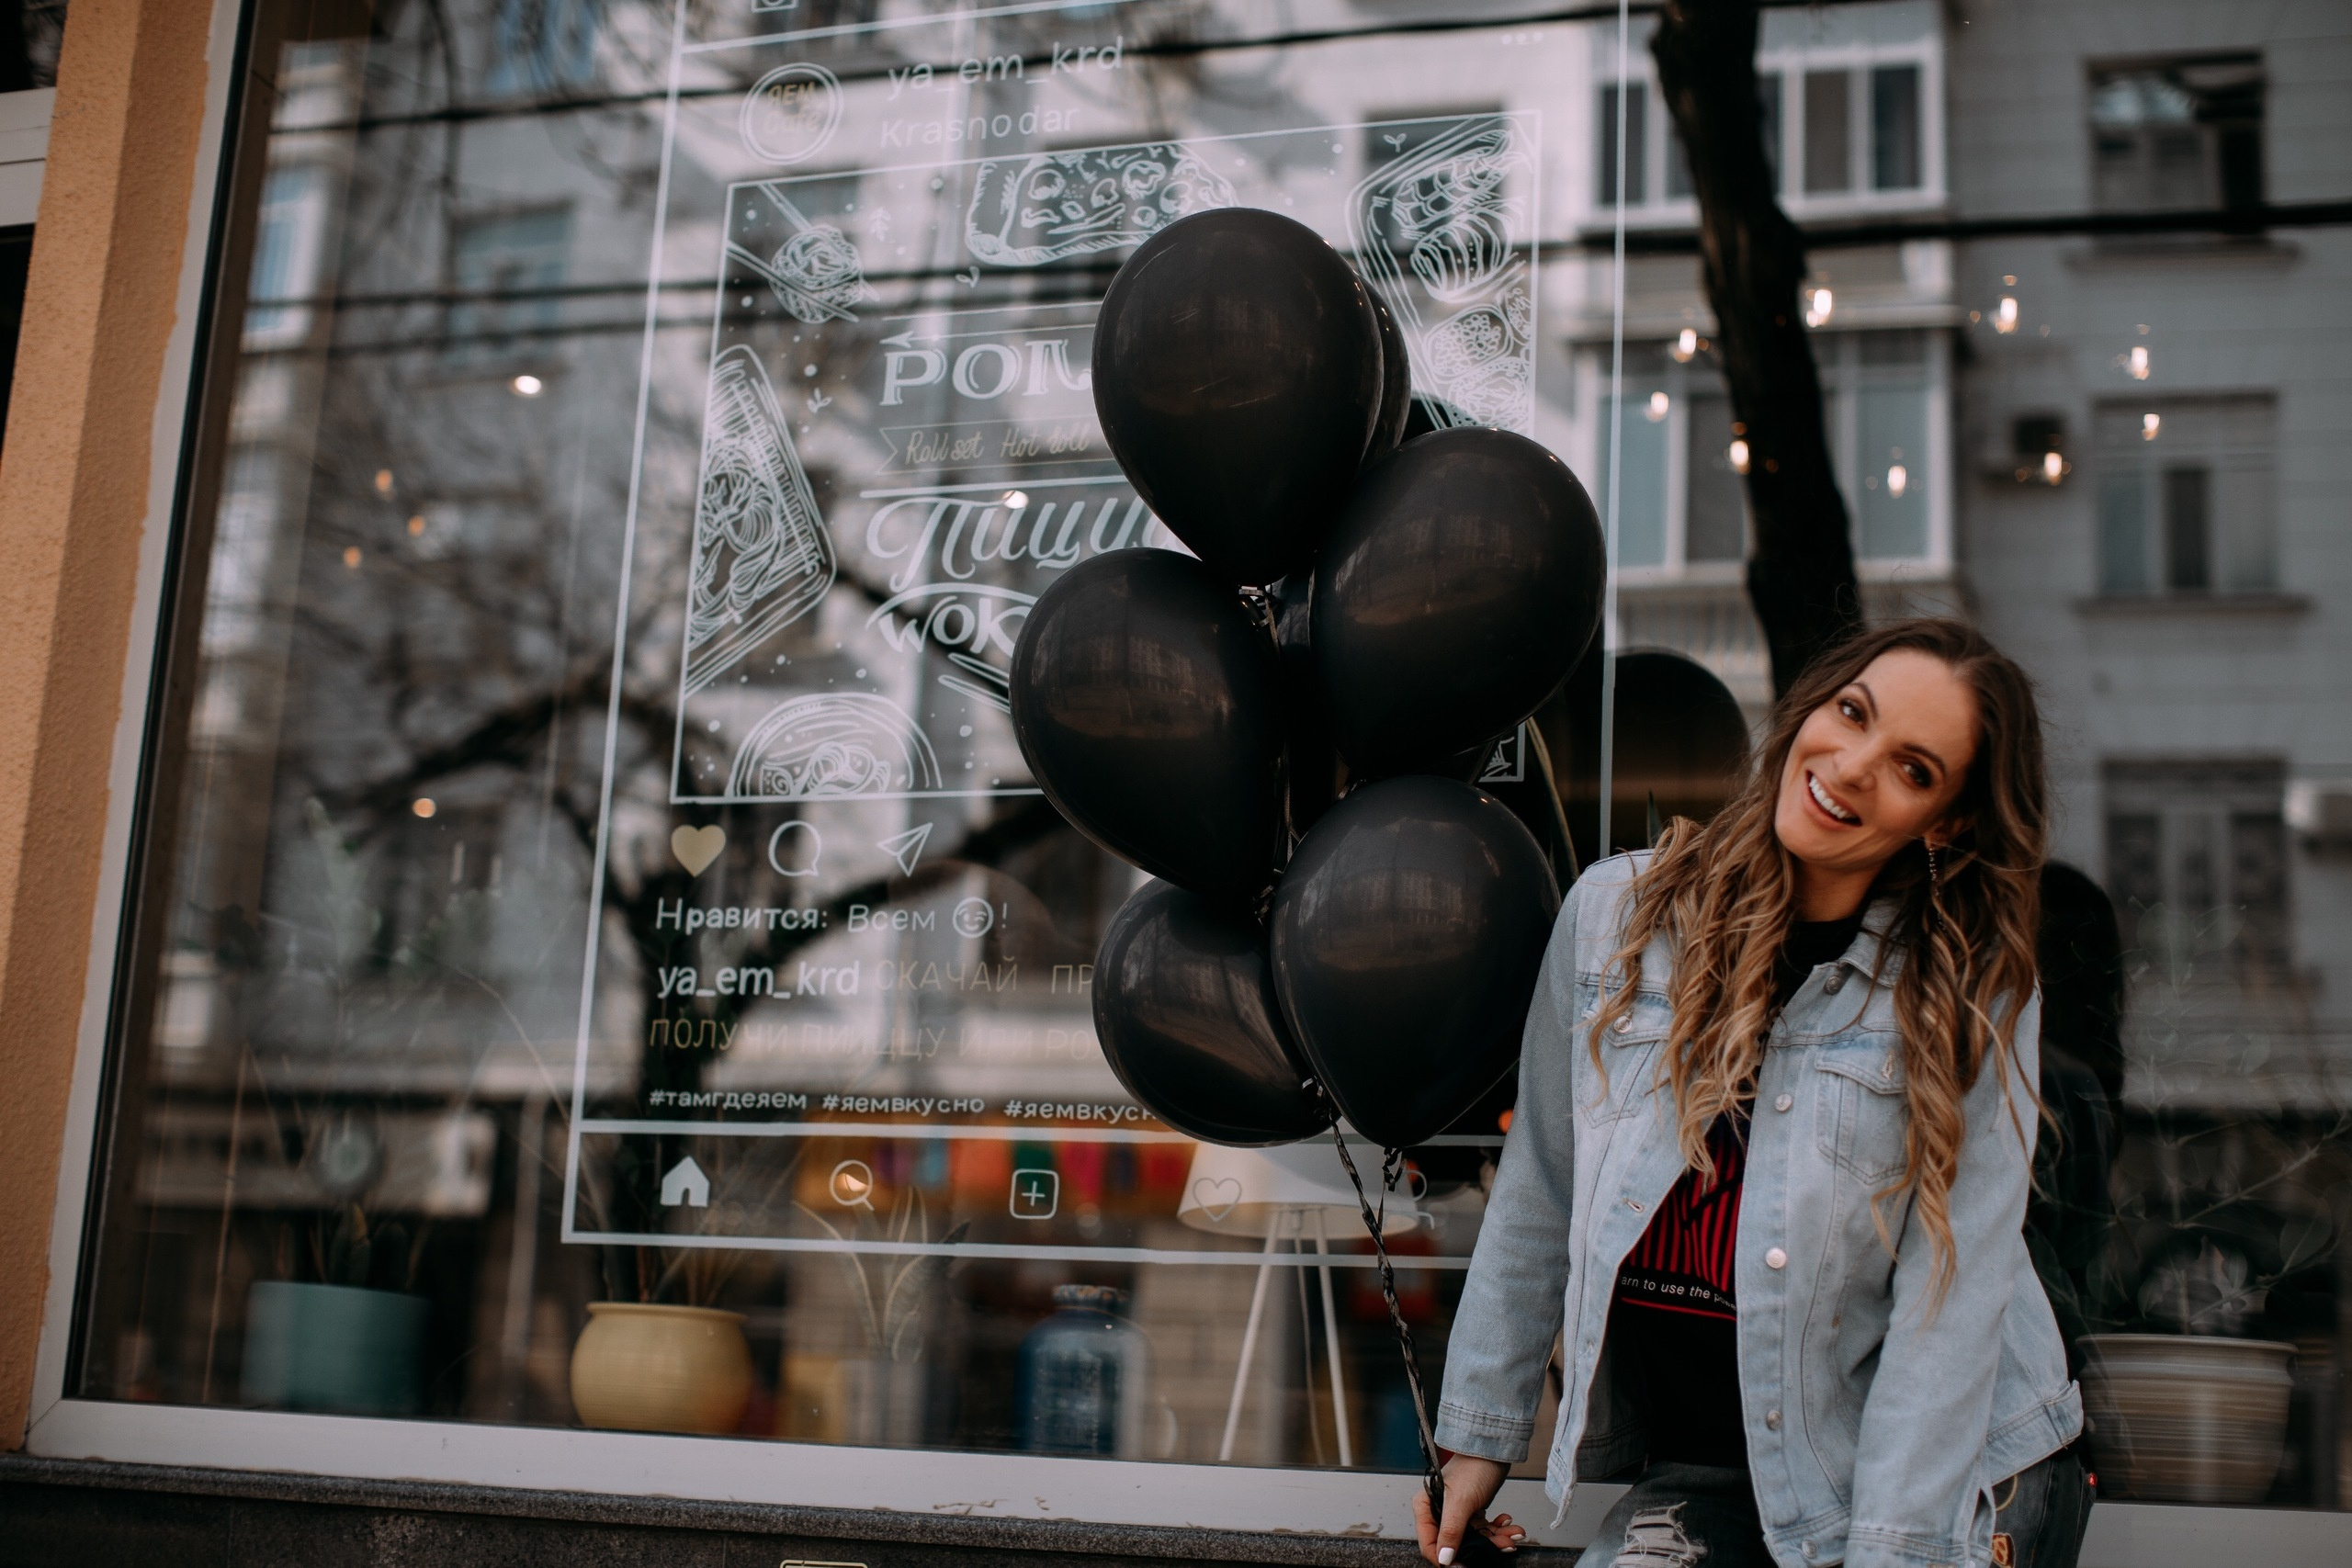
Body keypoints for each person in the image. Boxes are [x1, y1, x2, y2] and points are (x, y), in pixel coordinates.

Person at [1418, 620, 2089, 1568]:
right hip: (1717, 1465)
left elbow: (1948, 1300)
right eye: (1851, 713)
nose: (1851, 765)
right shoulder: (1617, 918)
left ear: (1946, 821)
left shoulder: (1967, 990)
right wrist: (1479, 1434)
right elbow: (1541, 1184)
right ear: (1810, 709)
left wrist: (1891, 1553)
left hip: (1959, 1462)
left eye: (1912, 768)